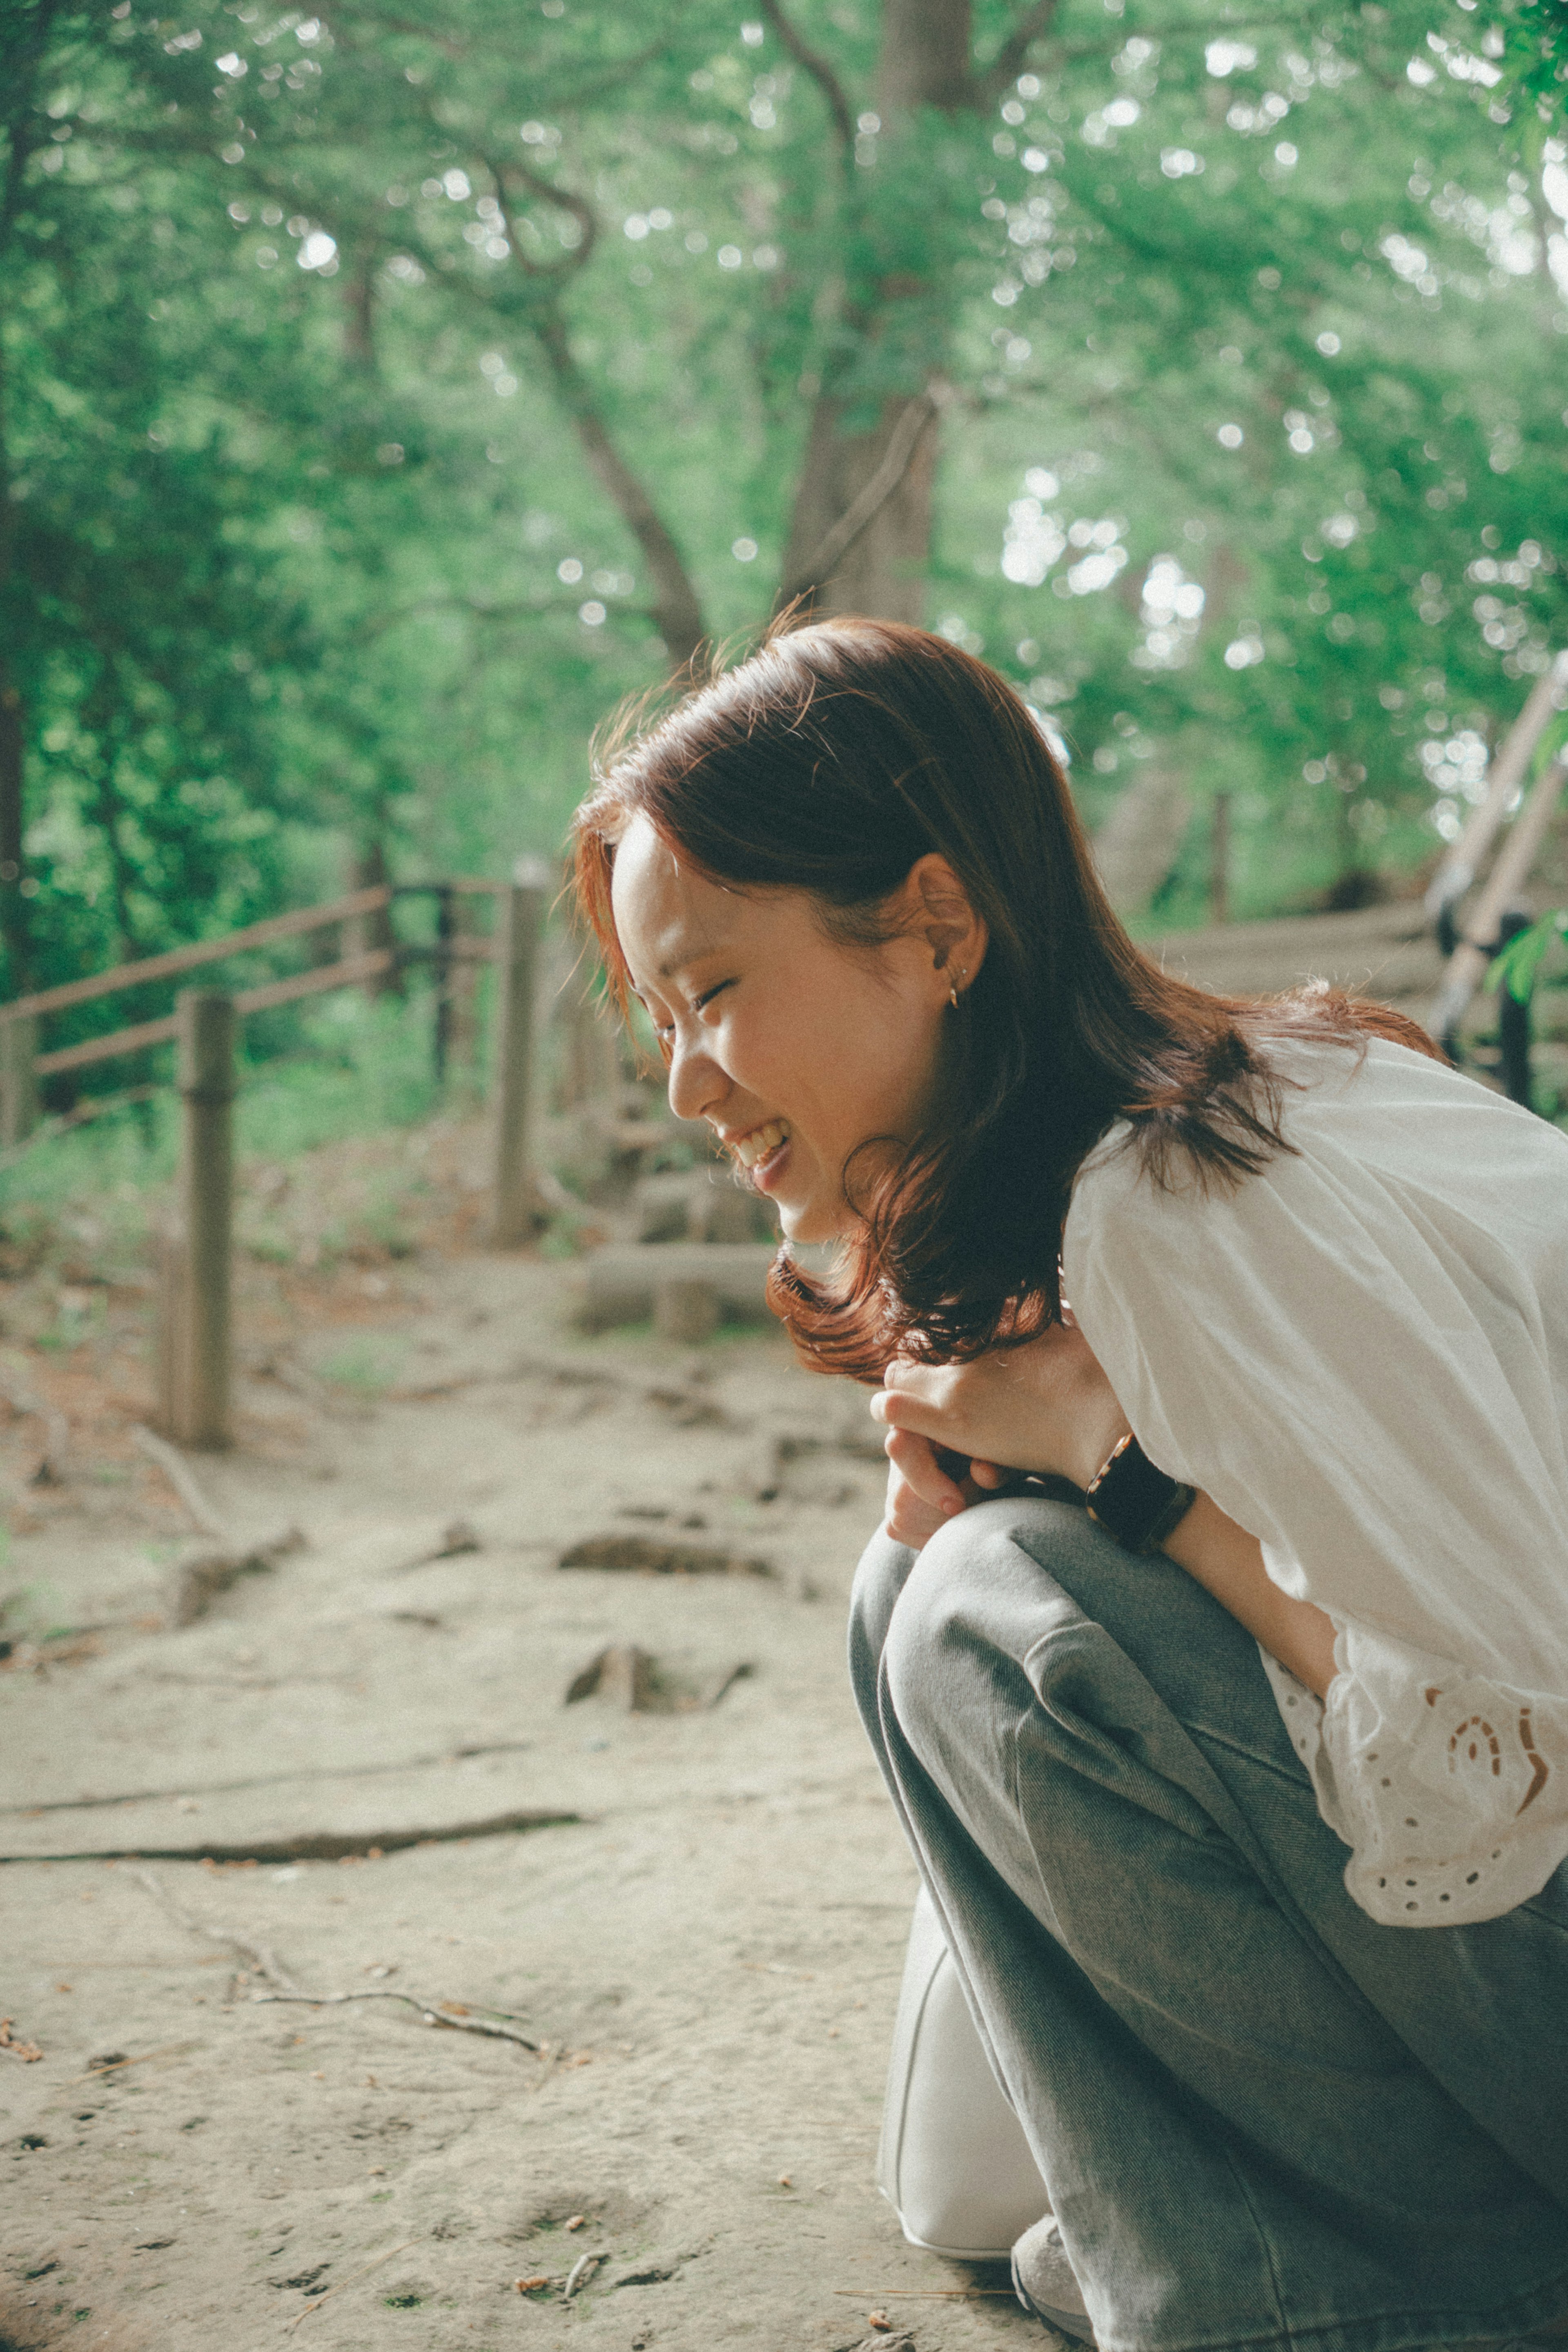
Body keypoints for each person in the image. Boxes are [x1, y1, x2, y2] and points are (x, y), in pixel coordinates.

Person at [571, 616, 1568, 2352]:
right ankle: (1244, 2257)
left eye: (716, 992)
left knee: (982, 1614)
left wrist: (1124, 1478)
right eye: (663, 1016)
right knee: (929, 1583)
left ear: (937, 925)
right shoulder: (1199, 1135)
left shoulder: (1188, 1198)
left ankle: (1407, 2296)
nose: (686, 1084)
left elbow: (1506, 1738)